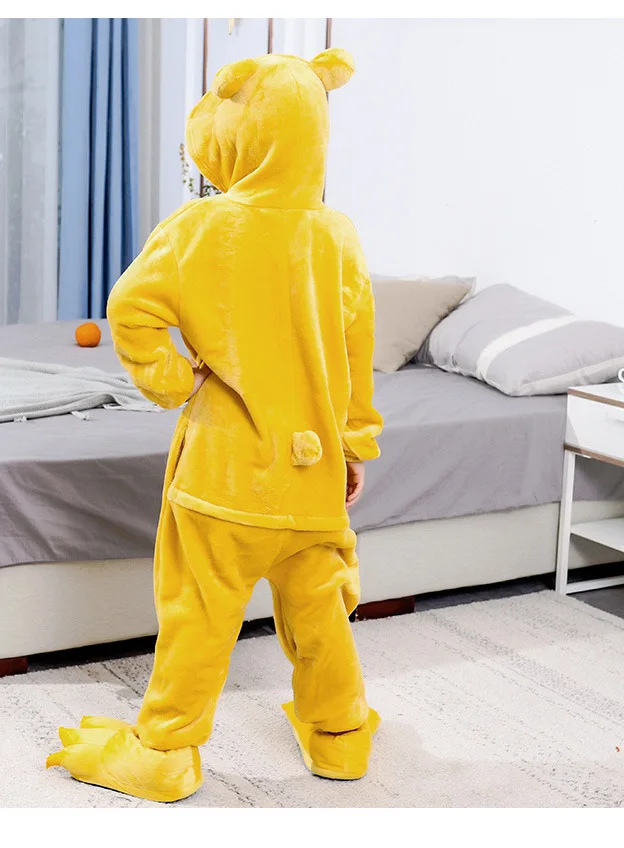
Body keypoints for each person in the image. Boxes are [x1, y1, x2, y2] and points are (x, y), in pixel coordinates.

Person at [47, 47, 383, 803]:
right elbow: (356, 352)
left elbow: (131, 308)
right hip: (313, 473)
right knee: (319, 609)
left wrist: (175, 380)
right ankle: (339, 735)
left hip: (224, 476)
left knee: (199, 613)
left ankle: (165, 751)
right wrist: (355, 443)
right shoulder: (337, 234)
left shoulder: (201, 225)